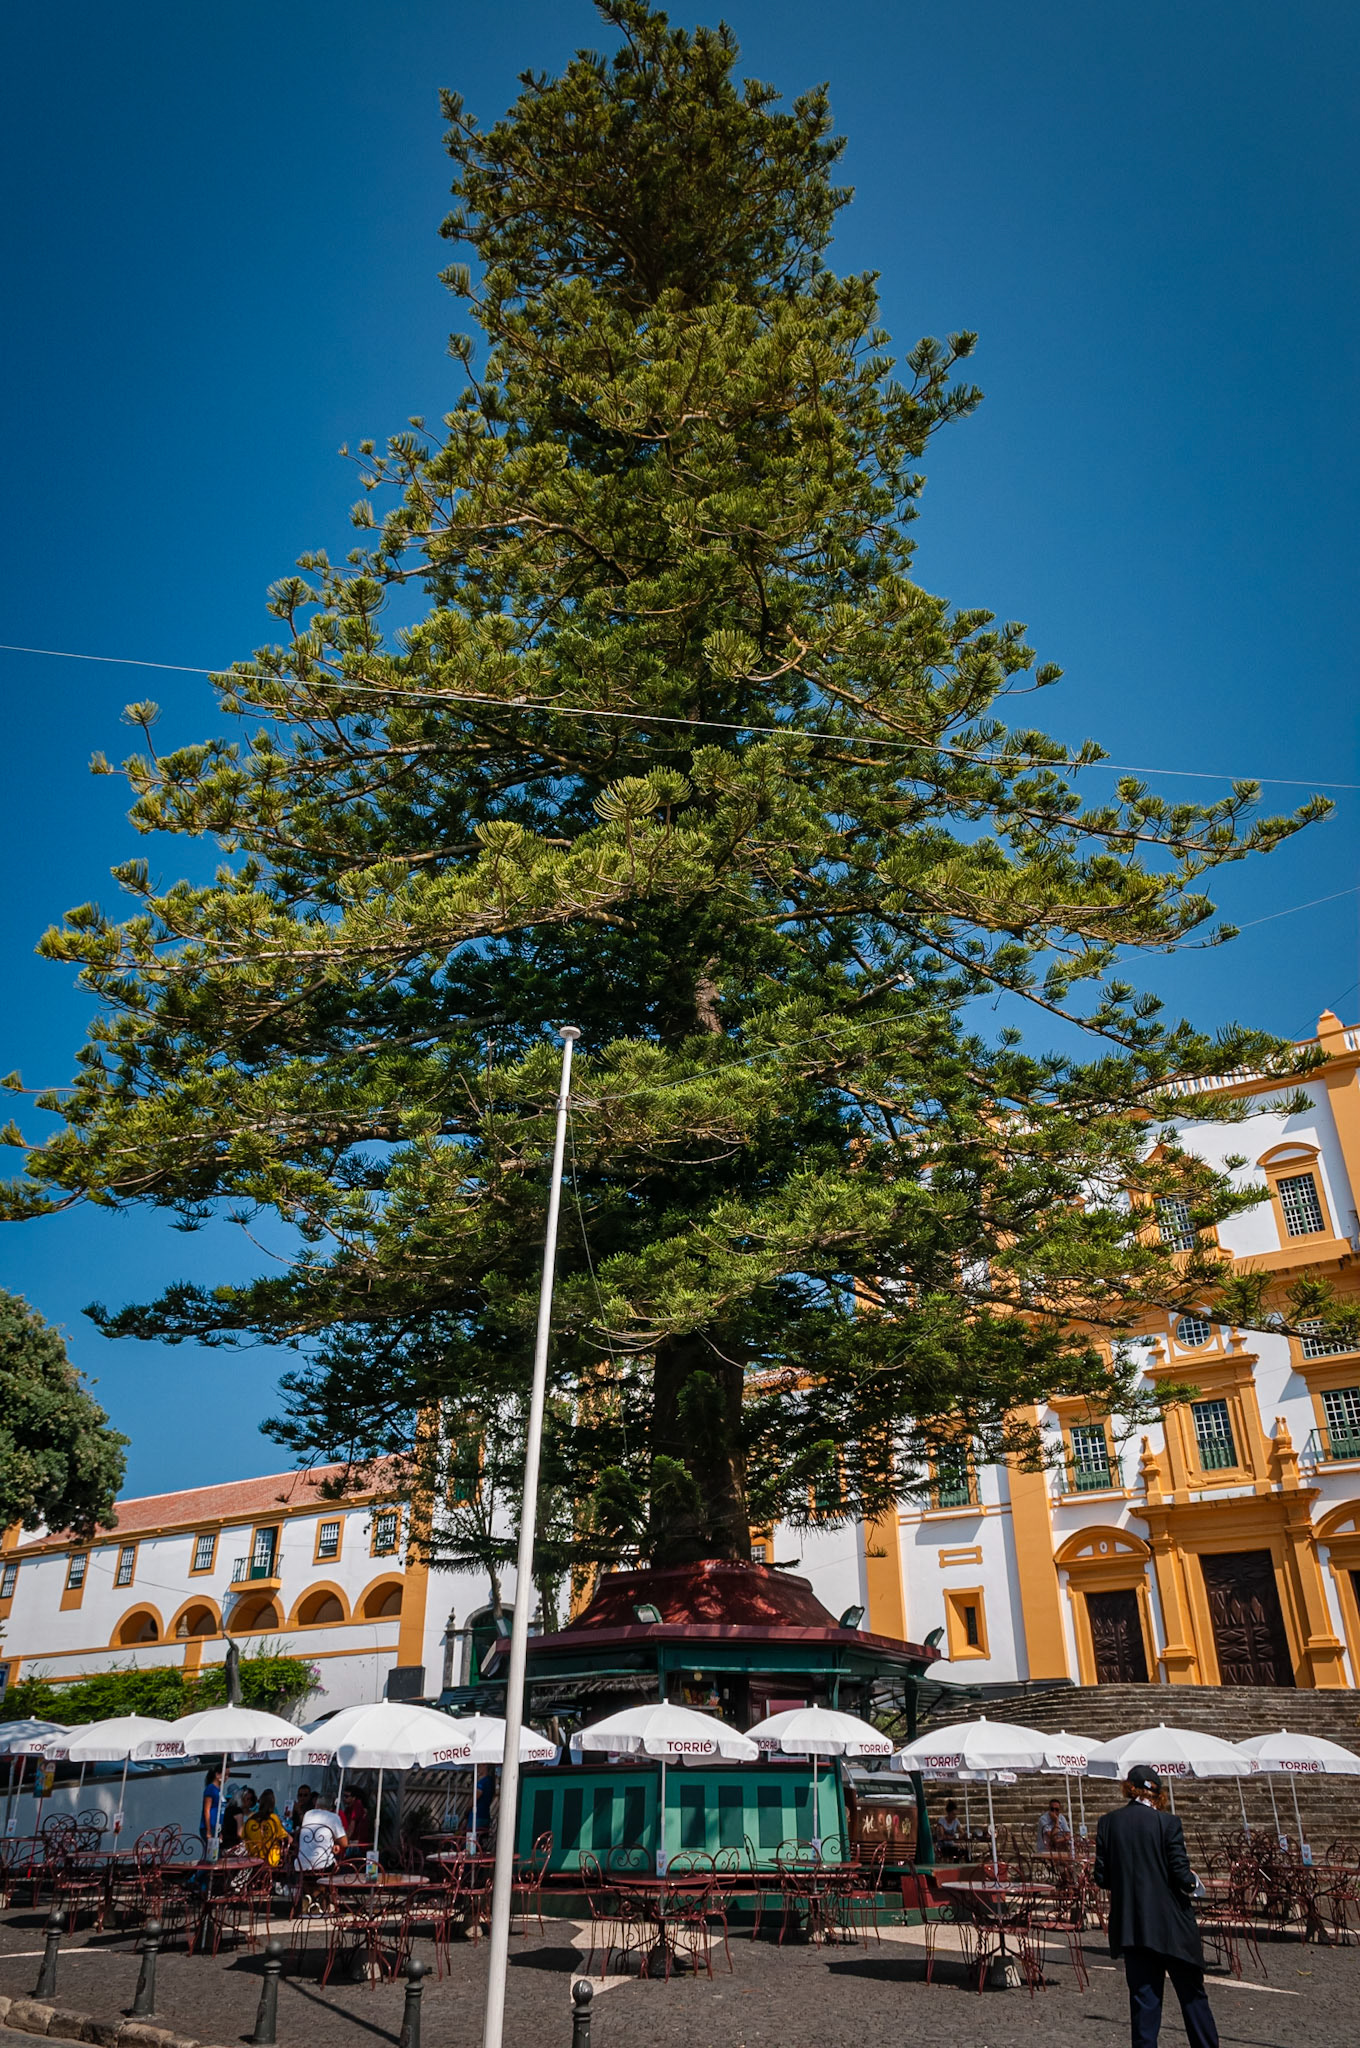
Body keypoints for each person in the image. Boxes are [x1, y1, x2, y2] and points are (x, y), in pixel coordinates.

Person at [1094, 1765, 1218, 2048]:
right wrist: (1195, 1884)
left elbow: (1101, 1877)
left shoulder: (1108, 1823)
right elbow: (1181, 1875)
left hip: (1134, 1927)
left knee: (1144, 2004)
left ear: (1129, 1788)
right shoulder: (1168, 1824)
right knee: (1192, 1998)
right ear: (1157, 1794)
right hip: (1173, 1927)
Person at [296, 1801, 349, 1872]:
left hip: (301, 1865)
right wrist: (334, 1842)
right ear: (331, 1808)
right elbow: (344, 1843)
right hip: (323, 1866)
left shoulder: (307, 1814)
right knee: (345, 1870)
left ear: (316, 1805)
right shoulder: (333, 1817)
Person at [244, 1787, 289, 1866]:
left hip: (252, 1860)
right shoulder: (274, 1819)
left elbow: (243, 1836)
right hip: (271, 1860)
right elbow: (286, 1837)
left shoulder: (251, 1820)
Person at [200, 1767, 223, 1843]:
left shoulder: (219, 1789)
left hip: (217, 1827)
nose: (226, 1777)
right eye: (225, 1775)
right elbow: (207, 1810)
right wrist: (208, 1830)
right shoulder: (211, 1789)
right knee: (213, 1853)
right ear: (217, 1775)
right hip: (211, 1826)